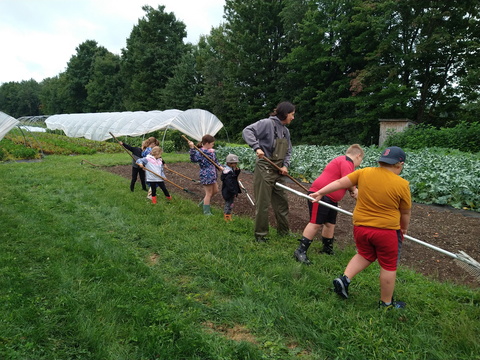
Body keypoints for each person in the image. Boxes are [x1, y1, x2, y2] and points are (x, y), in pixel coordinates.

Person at [311, 146, 411, 310]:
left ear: (381, 161)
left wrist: (320, 192)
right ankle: (386, 304)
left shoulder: (364, 173)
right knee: (388, 266)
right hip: (386, 231)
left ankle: (344, 279)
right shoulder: (402, 184)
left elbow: (339, 182)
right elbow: (405, 212)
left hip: (361, 228)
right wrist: (404, 228)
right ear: (399, 164)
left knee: (364, 254)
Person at [294, 144, 364, 265]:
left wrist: (352, 190)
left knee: (330, 224)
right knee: (315, 222)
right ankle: (300, 251)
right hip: (319, 195)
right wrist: (355, 190)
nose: (359, 164)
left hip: (331, 198)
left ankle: (327, 249)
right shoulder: (347, 162)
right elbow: (348, 180)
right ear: (358, 156)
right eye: (361, 160)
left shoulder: (343, 161)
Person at [242, 101, 295, 242]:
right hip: (265, 166)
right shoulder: (266, 123)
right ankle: (261, 235)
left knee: (282, 202)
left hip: (278, 169)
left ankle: (284, 232)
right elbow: (247, 131)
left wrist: (285, 166)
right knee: (263, 203)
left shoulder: (286, 131)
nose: (293, 117)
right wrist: (256, 147)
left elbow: (288, 150)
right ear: (285, 113)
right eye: (292, 114)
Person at [188, 134, 224, 215]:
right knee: (209, 193)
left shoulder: (211, 152)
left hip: (213, 174)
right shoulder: (200, 152)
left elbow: (215, 161)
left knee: (215, 190)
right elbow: (193, 159)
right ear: (207, 143)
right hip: (206, 174)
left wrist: (220, 167)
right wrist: (192, 148)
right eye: (212, 143)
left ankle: (203, 203)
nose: (213, 145)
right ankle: (206, 212)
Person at [221, 153, 241, 222]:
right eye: (234, 163)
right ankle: (227, 217)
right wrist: (233, 192)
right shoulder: (228, 173)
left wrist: (237, 171)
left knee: (230, 204)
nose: (235, 165)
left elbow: (235, 177)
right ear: (229, 163)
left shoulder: (230, 170)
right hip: (229, 192)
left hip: (229, 191)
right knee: (228, 204)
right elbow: (229, 184)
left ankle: (228, 216)